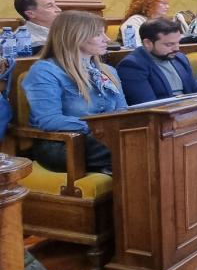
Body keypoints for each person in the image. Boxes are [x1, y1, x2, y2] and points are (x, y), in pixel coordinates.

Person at [21, 11, 127, 175]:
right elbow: (50, 120)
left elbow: (123, 112)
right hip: (63, 144)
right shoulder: (45, 71)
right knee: (133, 148)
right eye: (98, 34)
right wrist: (102, 128)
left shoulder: (108, 71)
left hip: (105, 138)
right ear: (75, 36)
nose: (107, 39)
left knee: (145, 144)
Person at [116, 18, 197, 105]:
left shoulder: (180, 58)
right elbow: (147, 107)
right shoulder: (131, 66)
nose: (177, 48)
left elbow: (195, 92)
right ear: (147, 43)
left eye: (178, 42)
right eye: (169, 44)